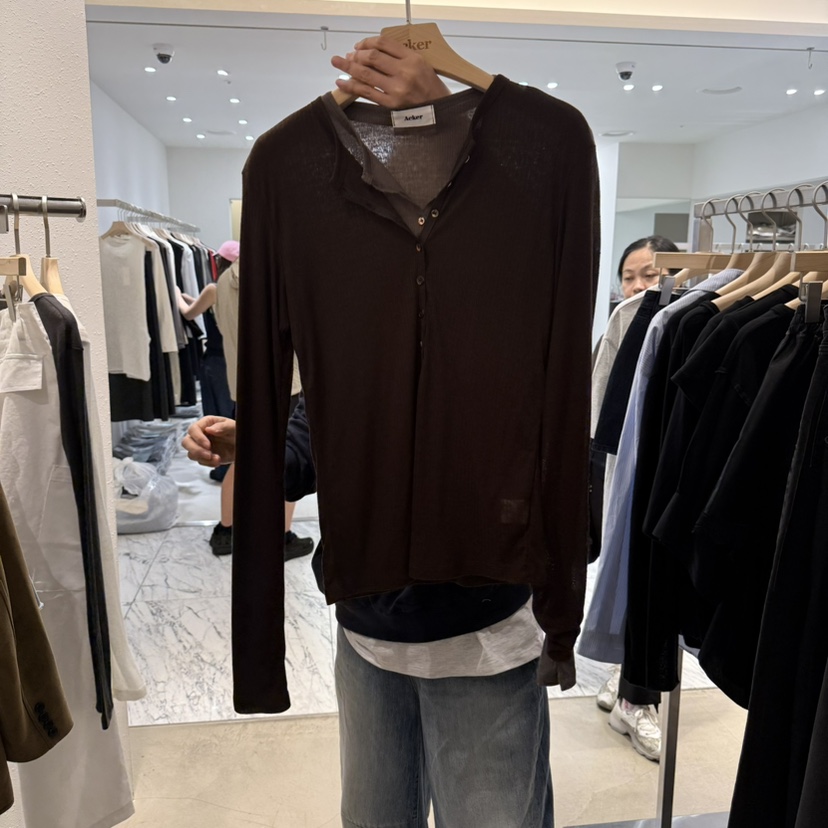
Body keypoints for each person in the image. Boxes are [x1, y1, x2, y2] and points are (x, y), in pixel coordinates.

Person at [183, 38, 554, 828]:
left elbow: (555, 427)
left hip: (484, 628)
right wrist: (250, 446)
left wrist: (560, 590)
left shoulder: (522, 198)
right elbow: (315, 432)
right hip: (368, 624)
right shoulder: (303, 190)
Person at [592, 234, 679, 762]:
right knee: (635, 572)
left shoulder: (700, 316)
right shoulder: (626, 318)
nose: (638, 285)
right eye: (629, 276)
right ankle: (633, 692)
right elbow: (600, 401)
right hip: (631, 464)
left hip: (672, 467)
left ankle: (629, 681)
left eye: (650, 274)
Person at [178, 242, 313, 560]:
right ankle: (282, 536)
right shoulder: (279, 278)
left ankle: (226, 530)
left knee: (241, 455)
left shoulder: (221, 283)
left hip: (243, 382)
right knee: (286, 453)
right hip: (284, 383)